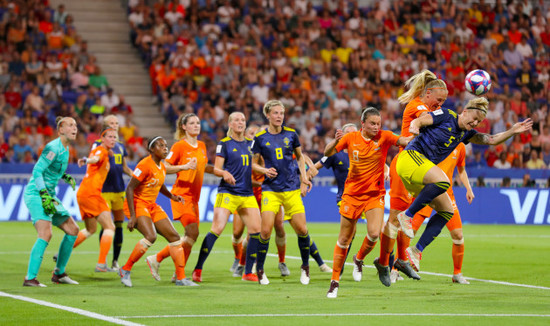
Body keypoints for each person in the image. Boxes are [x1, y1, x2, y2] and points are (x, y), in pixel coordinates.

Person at [397, 97, 532, 272]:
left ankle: (416, 250)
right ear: (465, 111)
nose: (474, 122)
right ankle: (407, 216)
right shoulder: (446, 115)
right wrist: (414, 126)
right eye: (473, 118)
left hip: (419, 171)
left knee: (447, 211)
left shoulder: (465, 134)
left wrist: (512, 131)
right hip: (410, 157)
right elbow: (421, 120)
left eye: (478, 121)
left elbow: (491, 139)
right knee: (444, 181)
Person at [324, 108, 411, 297]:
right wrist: (336, 140)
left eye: (378, 124)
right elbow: (327, 151)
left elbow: (404, 141)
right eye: (372, 123)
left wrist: (420, 131)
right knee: (344, 238)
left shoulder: (385, 136)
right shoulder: (351, 138)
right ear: (363, 123)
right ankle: (334, 281)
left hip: (375, 194)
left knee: (373, 234)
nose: (376, 127)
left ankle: (359, 258)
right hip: (352, 195)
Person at [146, 113, 226, 282]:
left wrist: (223, 173)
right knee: (192, 231)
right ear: (184, 127)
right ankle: (171, 269)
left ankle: (163, 264)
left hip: (195, 198)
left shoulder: (202, 146)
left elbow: (204, 167)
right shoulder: (179, 146)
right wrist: (184, 166)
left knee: (191, 238)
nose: (196, 125)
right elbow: (165, 166)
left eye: (198, 122)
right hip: (181, 196)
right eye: (192, 123)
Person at [384, 70, 448, 283]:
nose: (439, 105)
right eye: (438, 100)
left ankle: (397, 263)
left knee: (405, 220)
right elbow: (424, 119)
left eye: (443, 102)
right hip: (405, 165)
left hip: (417, 166)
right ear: (428, 93)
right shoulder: (417, 106)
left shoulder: (429, 106)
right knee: (396, 218)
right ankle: (387, 264)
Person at [192, 112, 261, 282]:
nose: (240, 122)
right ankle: (198, 269)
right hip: (228, 192)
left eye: (243, 120)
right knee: (217, 229)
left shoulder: (250, 145)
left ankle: (247, 272)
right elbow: (216, 169)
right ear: (230, 124)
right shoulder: (224, 144)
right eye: (236, 120)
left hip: (246, 193)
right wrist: (224, 173)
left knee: (256, 231)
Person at [251, 99, 313, 285]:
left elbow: (301, 158)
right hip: (271, 190)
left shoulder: (292, 134)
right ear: (268, 115)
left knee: (302, 230)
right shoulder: (260, 138)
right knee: (266, 231)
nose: (279, 116)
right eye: (276, 113)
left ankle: (305, 268)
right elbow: (253, 163)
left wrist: (304, 177)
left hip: (292, 189)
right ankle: (260, 270)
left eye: (281, 113)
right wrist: (264, 171)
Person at [118, 136, 193, 287]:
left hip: (151, 205)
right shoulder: (145, 165)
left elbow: (160, 185)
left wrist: (172, 196)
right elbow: (130, 188)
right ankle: (125, 270)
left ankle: (181, 278)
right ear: (152, 149)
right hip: (137, 204)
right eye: (161, 145)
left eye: (166, 145)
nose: (165, 148)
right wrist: (133, 216)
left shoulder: (162, 166)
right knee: (151, 236)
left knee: (175, 237)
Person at [23, 117, 80, 287]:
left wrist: (64, 176)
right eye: (70, 125)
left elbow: (52, 169)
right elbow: (37, 171)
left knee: (72, 229)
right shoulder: (53, 147)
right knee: (46, 234)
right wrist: (43, 193)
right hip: (37, 193)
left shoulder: (66, 148)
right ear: (60, 129)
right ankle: (30, 278)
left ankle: (59, 274)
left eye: (76, 125)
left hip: (49, 195)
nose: (74, 128)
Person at [408, 142, 474, 285]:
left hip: (447, 195)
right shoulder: (437, 138)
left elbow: (461, 170)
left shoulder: (461, 146)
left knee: (458, 235)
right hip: (428, 191)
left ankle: (457, 273)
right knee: (409, 232)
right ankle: (396, 267)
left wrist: (468, 188)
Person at [308, 122, 357, 276]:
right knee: (350, 233)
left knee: (378, 231)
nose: (351, 136)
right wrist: (306, 177)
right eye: (347, 133)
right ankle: (341, 266)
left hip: (366, 196)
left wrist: (387, 169)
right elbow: (317, 165)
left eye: (353, 133)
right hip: (345, 197)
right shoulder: (336, 152)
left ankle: (366, 261)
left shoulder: (363, 150)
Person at [72, 127, 118, 272]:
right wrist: (86, 160)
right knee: (110, 227)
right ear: (102, 139)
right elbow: (95, 159)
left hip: (83, 193)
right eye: (109, 136)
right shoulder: (101, 150)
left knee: (91, 229)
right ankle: (101, 264)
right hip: (92, 193)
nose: (112, 139)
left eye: (114, 137)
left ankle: (62, 252)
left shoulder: (104, 152)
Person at [93, 115, 133, 270]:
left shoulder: (120, 146)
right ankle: (102, 260)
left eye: (117, 123)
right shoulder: (97, 145)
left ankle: (115, 261)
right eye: (112, 123)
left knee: (118, 225)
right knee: (106, 226)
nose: (115, 125)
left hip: (119, 190)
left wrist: (135, 175)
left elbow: (124, 167)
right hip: (103, 191)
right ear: (105, 126)